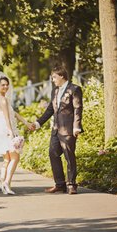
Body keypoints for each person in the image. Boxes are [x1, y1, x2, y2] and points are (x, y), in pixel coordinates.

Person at [29, 65, 83, 195]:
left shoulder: (74, 89)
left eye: (54, 77)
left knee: (69, 156)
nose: (52, 80)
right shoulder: (55, 91)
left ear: (61, 76)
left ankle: (71, 184)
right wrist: (37, 123)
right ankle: (60, 184)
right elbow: (50, 110)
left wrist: (77, 126)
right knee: (53, 154)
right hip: (56, 130)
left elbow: (78, 108)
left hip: (69, 130)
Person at [0, 71, 31, 195]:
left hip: (0, 132)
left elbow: (13, 113)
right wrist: (11, 132)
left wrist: (26, 122)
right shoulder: (3, 100)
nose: (5, 87)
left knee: (7, 160)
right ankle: (7, 182)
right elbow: (7, 117)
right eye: (3, 85)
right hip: (6, 131)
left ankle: (2, 184)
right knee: (15, 158)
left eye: (7, 85)